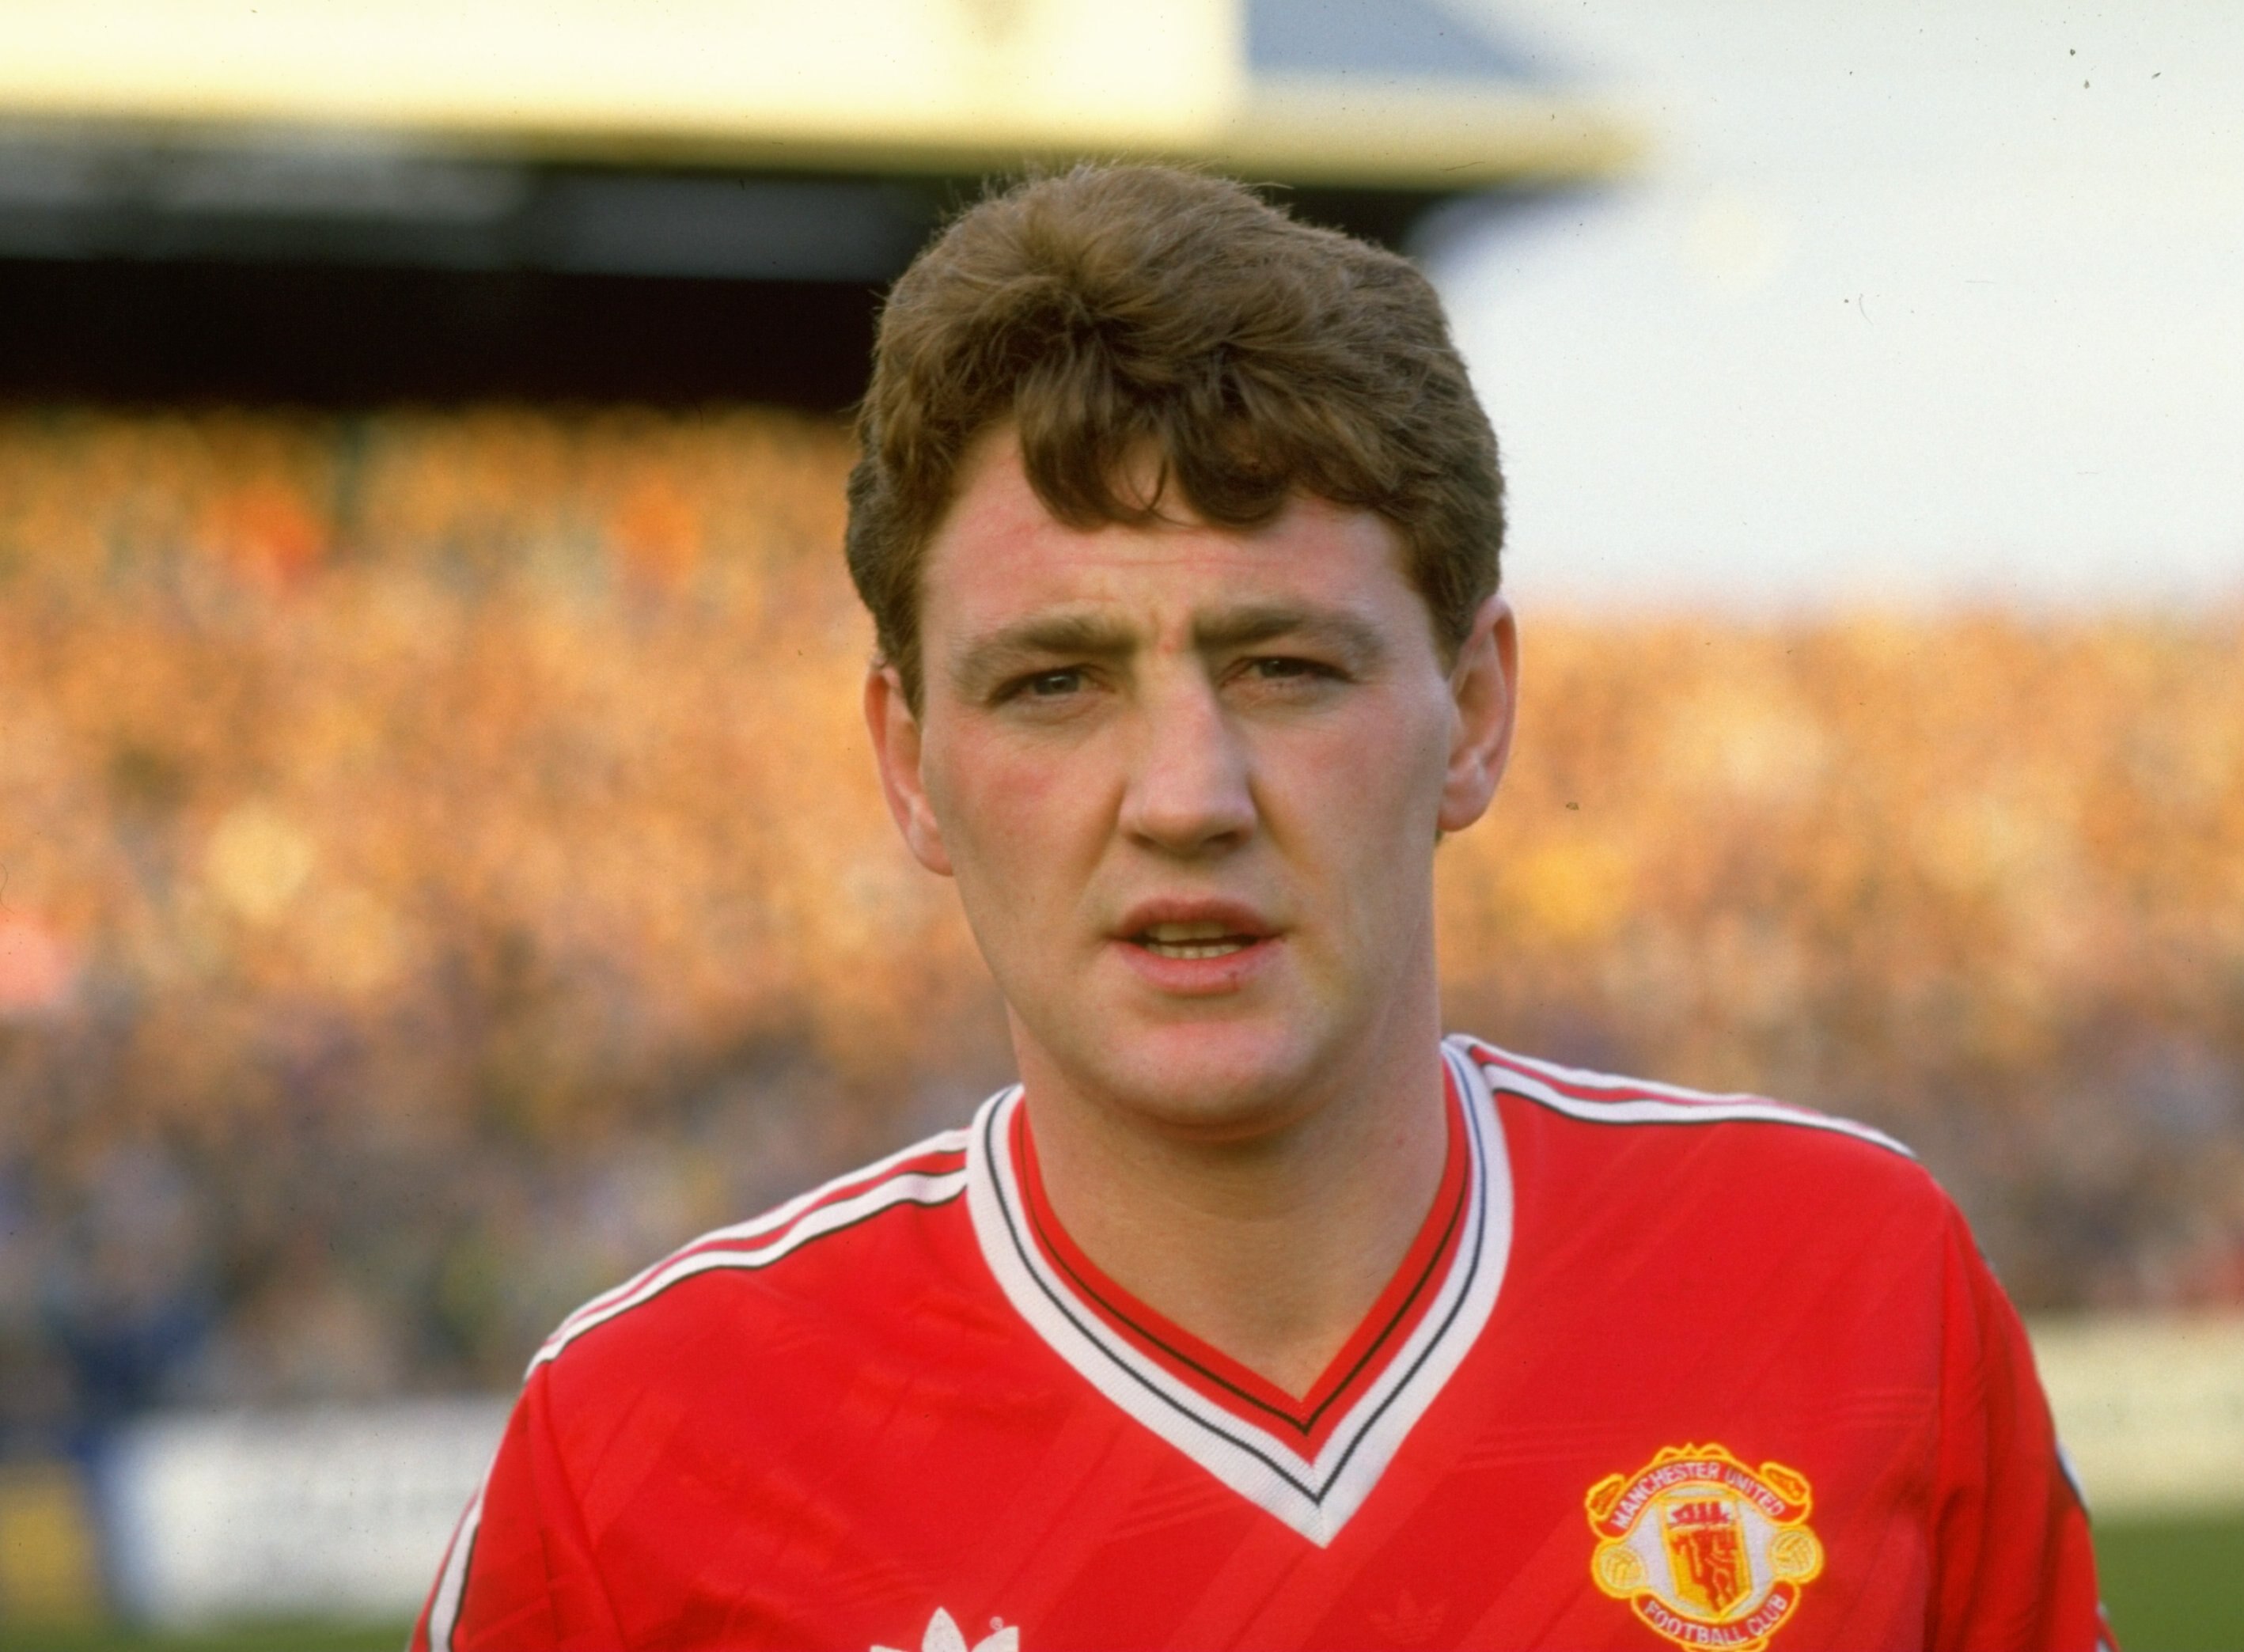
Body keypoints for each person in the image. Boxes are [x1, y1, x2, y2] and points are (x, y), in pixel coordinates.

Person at [415, 164, 2111, 1652]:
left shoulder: (1851, 1284)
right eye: (1055, 684)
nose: (1186, 795)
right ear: (913, 761)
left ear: (1478, 710)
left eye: (1285, 668)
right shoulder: (638, 1450)